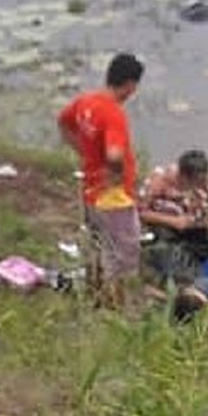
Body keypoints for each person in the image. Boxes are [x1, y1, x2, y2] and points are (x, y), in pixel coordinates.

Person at [57, 52, 145, 307]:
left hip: (90, 188)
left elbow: (63, 123)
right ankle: (113, 304)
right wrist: (116, 178)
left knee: (97, 242)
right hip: (112, 197)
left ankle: (95, 289)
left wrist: (83, 152)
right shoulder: (113, 113)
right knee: (123, 252)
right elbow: (115, 154)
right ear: (130, 84)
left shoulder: (86, 102)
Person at [139, 149, 208, 315]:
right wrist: (173, 222)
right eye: (192, 184)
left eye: (200, 183)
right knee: (169, 256)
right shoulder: (160, 180)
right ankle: (178, 291)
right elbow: (140, 211)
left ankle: (190, 289)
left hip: (197, 228)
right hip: (167, 228)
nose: (196, 187)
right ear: (182, 176)